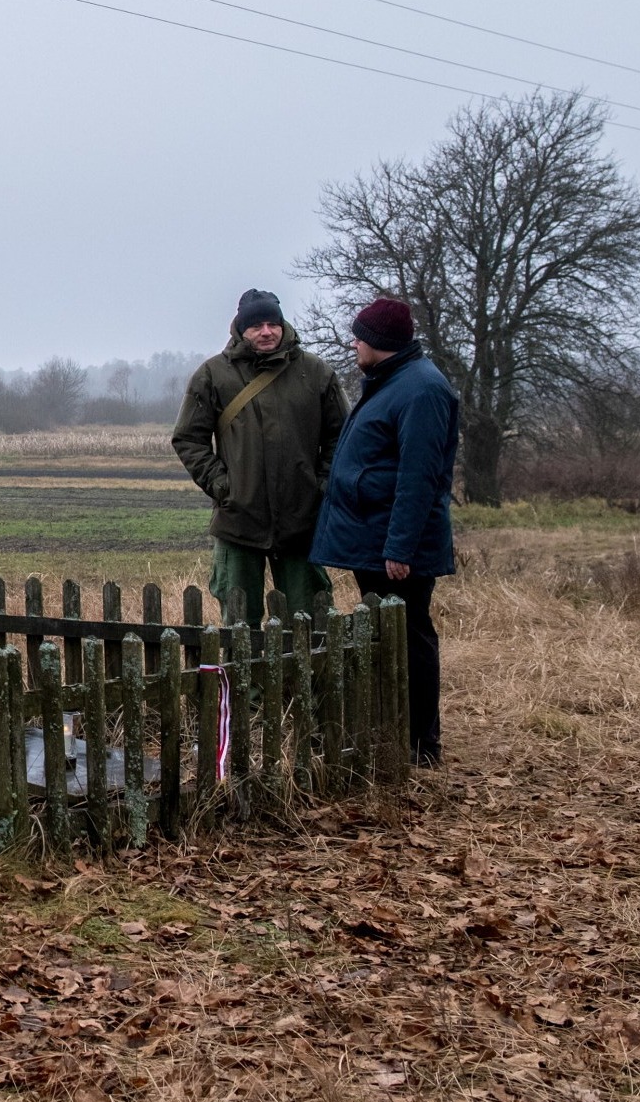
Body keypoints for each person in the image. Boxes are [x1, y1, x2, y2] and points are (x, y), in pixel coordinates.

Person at [309, 296, 458, 766]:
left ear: (379, 343)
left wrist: (400, 547)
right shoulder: (392, 381)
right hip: (374, 539)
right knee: (387, 635)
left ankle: (421, 747)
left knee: (410, 638)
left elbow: (420, 477)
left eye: (360, 336)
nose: (353, 342)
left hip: (394, 547)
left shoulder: (421, 390)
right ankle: (395, 732)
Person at [172, 288, 350, 628]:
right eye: (256, 325)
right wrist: (224, 486)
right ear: (240, 329)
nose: (266, 331)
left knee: (309, 622)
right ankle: (244, 683)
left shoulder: (316, 373)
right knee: (240, 624)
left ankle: (304, 683)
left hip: (302, 518)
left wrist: (321, 485)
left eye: (273, 323)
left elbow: (341, 437)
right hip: (239, 519)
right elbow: (188, 438)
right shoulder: (212, 375)